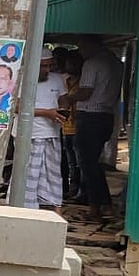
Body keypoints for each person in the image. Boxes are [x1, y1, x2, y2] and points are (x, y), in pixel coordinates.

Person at [60, 36, 124, 222]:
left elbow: (86, 92)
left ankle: (96, 207)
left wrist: (68, 98)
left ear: (91, 45)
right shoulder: (116, 63)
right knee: (93, 163)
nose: (80, 52)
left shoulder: (92, 63)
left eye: (82, 47)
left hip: (90, 116)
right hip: (107, 116)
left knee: (87, 164)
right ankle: (105, 205)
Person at [12, 49, 66, 212]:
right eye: (43, 66)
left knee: (53, 174)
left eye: (49, 66)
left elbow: (63, 98)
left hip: (51, 133)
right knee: (27, 173)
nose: (47, 70)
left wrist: (63, 108)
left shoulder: (57, 79)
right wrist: (46, 113)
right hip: (28, 135)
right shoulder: (21, 78)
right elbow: (16, 107)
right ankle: (24, 209)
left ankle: (55, 209)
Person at [54, 47, 83, 199]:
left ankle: (78, 190)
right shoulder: (64, 81)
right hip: (65, 127)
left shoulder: (83, 82)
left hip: (78, 127)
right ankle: (70, 189)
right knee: (69, 161)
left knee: (79, 162)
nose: (69, 65)